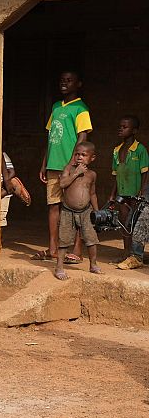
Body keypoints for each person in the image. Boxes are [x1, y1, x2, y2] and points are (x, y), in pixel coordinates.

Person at [34, 70, 92, 263]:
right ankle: (53, 246)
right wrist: (44, 163)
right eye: (62, 80)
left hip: (71, 167)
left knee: (74, 208)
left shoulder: (81, 108)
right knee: (53, 206)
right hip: (53, 164)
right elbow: (50, 137)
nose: (64, 83)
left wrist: (72, 163)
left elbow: (83, 137)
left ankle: (76, 250)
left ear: (79, 84)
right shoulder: (56, 107)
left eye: (69, 81)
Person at [55, 142, 100, 280]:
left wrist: (97, 211)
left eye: (83, 155)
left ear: (92, 158)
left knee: (91, 239)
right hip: (68, 211)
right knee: (64, 240)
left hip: (86, 211)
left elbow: (92, 193)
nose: (79, 157)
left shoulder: (92, 174)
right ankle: (59, 267)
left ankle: (93, 264)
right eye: (77, 154)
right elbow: (62, 184)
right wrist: (76, 173)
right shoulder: (68, 169)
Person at [109, 116, 148, 270]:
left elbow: (145, 173)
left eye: (124, 127)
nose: (121, 129)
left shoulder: (140, 149)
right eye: (120, 126)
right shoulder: (116, 150)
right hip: (123, 192)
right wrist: (112, 195)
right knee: (124, 223)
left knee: (136, 223)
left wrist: (142, 192)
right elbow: (115, 175)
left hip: (136, 193)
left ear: (134, 131)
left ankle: (135, 255)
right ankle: (126, 253)